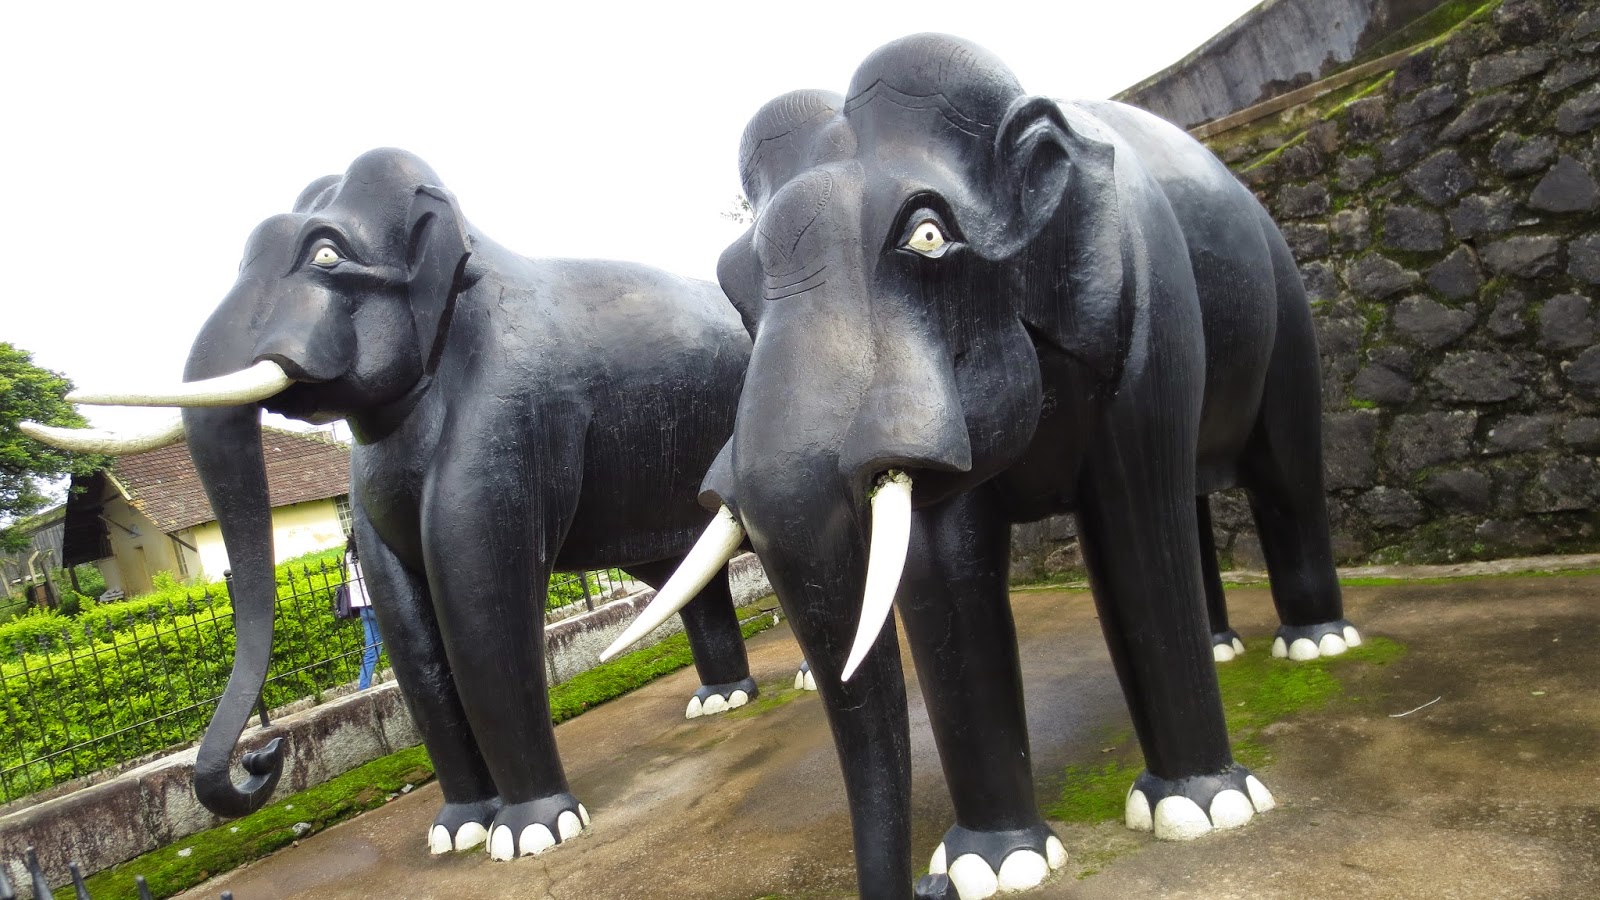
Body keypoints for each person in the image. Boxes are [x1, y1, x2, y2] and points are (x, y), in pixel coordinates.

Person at [345, 534, 382, 689]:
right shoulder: (367, 551)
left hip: (362, 606)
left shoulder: (349, 554)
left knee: (371, 650)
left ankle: (363, 686)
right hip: (377, 603)